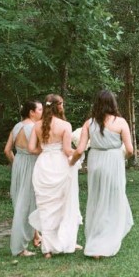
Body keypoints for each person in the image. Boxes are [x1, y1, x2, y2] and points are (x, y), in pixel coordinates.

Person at [70, 90, 134, 259]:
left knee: (97, 198)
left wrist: (70, 163)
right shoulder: (120, 122)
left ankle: (95, 241)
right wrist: (122, 157)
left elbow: (81, 148)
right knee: (113, 197)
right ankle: (106, 240)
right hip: (114, 161)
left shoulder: (89, 123)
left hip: (96, 160)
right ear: (113, 103)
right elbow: (130, 150)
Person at [27, 94, 82, 258]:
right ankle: (63, 241)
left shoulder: (37, 125)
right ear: (60, 106)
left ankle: (47, 249)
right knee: (62, 205)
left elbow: (31, 149)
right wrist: (80, 151)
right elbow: (66, 150)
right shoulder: (65, 125)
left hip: (43, 166)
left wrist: (45, 150)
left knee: (46, 207)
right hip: (60, 165)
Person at [3, 100, 43, 256]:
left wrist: (17, 164)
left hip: (19, 164)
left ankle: (36, 235)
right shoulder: (33, 128)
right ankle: (19, 248)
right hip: (32, 165)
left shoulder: (17, 126)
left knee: (22, 202)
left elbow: (7, 150)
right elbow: (39, 150)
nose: (42, 112)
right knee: (26, 205)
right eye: (39, 109)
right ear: (31, 112)